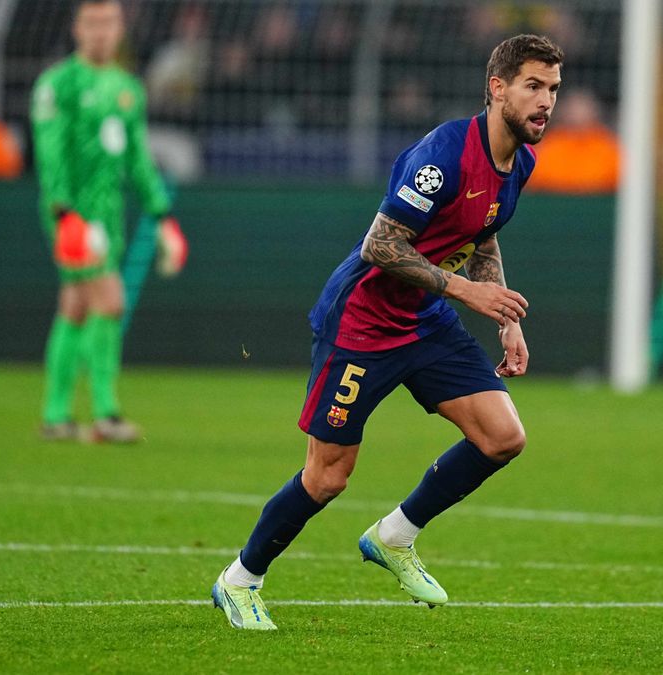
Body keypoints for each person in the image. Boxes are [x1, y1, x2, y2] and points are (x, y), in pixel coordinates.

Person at [210, 34, 563, 631]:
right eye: (533, 86)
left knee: (503, 437)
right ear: (497, 87)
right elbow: (380, 244)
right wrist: (466, 292)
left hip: (424, 321)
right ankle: (239, 580)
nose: (546, 102)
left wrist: (505, 317)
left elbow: (484, 234)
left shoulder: (519, 161)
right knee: (328, 476)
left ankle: (394, 536)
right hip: (362, 324)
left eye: (553, 89)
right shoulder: (443, 155)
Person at [31, 0, 187, 443]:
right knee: (110, 302)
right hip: (74, 215)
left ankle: (55, 415)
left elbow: (138, 158)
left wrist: (161, 214)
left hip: (110, 214)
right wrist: (63, 213)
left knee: (76, 307)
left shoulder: (127, 88)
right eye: (92, 22)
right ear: (78, 27)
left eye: (108, 22)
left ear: (120, 28)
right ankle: (105, 415)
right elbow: (50, 152)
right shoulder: (57, 83)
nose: (101, 31)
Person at [527, 88, 618, 194]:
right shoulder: (549, 145)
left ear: (594, 114)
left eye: (583, 111)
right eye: (573, 111)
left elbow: (618, 178)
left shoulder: (608, 147)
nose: (578, 118)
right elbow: (535, 178)